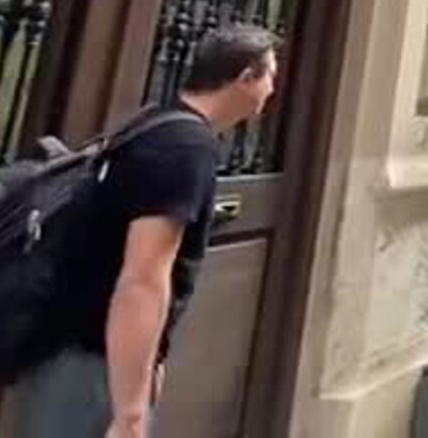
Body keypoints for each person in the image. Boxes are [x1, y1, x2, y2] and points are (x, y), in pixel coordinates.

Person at [14, 25, 280, 438]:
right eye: (270, 76)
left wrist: (150, 360)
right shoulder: (185, 150)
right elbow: (142, 279)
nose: (272, 89)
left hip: (77, 350)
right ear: (246, 77)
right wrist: (131, 410)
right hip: (93, 364)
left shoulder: (157, 123)